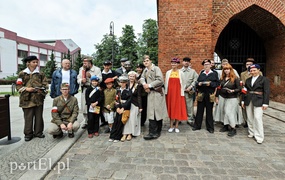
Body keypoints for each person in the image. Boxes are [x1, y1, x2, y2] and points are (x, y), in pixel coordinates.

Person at [16, 55, 48, 141]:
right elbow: (18, 86)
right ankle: (28, 134)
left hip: (38, 98)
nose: (36, 64)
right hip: (26, 99)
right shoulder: (22, 73)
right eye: (33, 62)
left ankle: (38, 132)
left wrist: (41, 90)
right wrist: (27, 89)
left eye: (36, 62)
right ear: (28, 63)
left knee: (38, 116)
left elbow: (45, 85)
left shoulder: (40, 74)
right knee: (28, 117)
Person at [140, 55, 168, 140]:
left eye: (147, 60)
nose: (146, 62)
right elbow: (141, 78)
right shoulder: (145, 70)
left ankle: (156, 132)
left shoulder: (156, 69)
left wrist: (149, 85)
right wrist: (144, 84)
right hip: (151, 93)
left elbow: (160, 80)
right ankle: (153, 131)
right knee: (152, 112)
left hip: (157, 92)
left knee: (157, 112)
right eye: (144, 61)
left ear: (151, 61)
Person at [241, 64, 269, 144]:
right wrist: (243, 101)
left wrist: (265, 103)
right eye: (251, 70)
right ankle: (251, 132)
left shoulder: (264, 79)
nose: (253, 72)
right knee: (249, 117)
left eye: (254, 70)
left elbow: (266, 92)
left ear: (258, 70)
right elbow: (244, 91)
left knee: (257, 118)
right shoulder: (248, 80)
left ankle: (259, 136)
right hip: (248, 99)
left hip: (259, 100)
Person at [192, 59, 220, 133]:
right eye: (205, 65)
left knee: (209, 111)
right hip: (201, 94)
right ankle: (197, 125)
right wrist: (199, 84)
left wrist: (210, 84)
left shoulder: (214, 73)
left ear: (211, 65)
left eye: (208, 64)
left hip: (210, 94)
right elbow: (197, 83)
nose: (206, 66)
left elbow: (217, 83)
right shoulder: (201, 73)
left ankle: (210, 127)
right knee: (199, 111)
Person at [215, 64, 242, 136]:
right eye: (225, 69)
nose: (226, 70)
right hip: (223, 96)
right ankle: (226, 125)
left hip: (232, 97)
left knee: (229, 112)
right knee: (224, 112)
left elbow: (239, 89)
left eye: (228, 69)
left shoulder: (235, 78)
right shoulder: (222, 78)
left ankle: (233, 128)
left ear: (231, 70)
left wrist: (233, 91)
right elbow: (219, 88)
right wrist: (216, 97)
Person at [77, 58, 102, 129]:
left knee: (95, 104)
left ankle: (96, 122)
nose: (84, 64)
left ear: (90, 63)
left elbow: (100, 79)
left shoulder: (97, 69)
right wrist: (81, 80)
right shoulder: (81, 69)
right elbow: (78, 78)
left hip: (94, 89)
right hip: (85, 89)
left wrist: (91, 77)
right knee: (85, 106)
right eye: (83, 62)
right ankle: (86, 121)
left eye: (85, 63)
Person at [165, 57, 187, 133]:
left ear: (178, 64)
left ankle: (176, 126)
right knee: (171, 108)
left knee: (177, 108)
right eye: (172, 63)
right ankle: (171, 125)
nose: (173, 64)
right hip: (170, 93)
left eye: (175, 63)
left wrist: (182, 92)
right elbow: (166, 83)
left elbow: (184, 83)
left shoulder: (181, 73)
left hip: (178, 93)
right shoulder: (168, 72)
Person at [240, 58, 263, 128]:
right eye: (247, 64)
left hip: (255, 94)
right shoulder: (243, 74)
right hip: (246, 92)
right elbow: (242, 83)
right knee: (245, 109)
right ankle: (246, 121)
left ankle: (254, 124)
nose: (248, 66)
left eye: (250, 64)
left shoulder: (259, 73)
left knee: (255, 111)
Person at [109, 75, 132, 143]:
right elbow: (116, 100)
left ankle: (117, 137)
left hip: (124, 108)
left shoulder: (128, 91)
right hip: (119, 108)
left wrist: (123, 108)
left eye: (124, 82)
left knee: (120, 122)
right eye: (121, 82)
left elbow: (129, 101)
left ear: (126, 83)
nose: (122, 84)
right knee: (115, 122)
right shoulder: (118, 90)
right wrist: (117, 108)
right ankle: (112, 136)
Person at [121, 71, 142, 141]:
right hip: (126, 104)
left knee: (132, 119)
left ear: (135, 77)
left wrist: (140, 107)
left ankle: (130, 133)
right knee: (126, 118)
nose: (131, 78)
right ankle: (124, 134)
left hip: (134, 104)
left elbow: (139, 96)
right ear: (128, 77)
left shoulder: (137, 85)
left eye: (133, 76)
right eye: (130, 76)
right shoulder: (126, 84)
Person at [181, 57, 198, 126]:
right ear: (182, 62)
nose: (186, 62)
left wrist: (190, 87)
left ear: (189, 63)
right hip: (181, 91)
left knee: (189, 106)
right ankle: (178, 119)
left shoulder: (193, 71)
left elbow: (196, 80)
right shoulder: (179, 71)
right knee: (180, 105)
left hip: (189, 91)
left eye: (188, 61)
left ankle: (190, 119)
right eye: (185, 61)